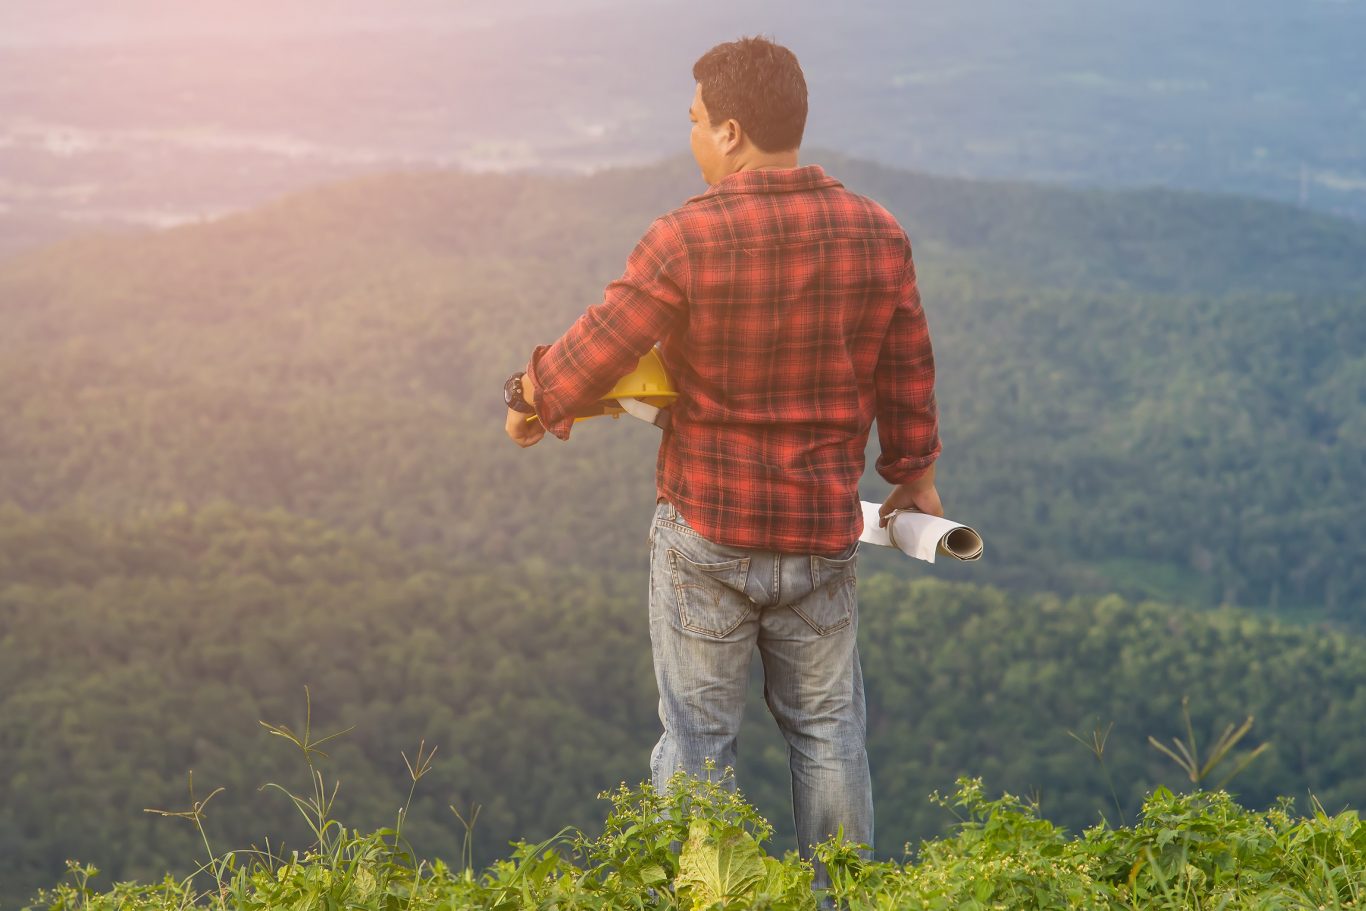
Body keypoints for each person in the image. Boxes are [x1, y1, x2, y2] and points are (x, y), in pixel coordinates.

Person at [502, 35, 942, 896]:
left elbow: (603, 343)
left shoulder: (686, 238)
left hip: (707, 533)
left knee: (698, 742)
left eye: (697, 121)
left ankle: (705, 897)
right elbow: (907, 367)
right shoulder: (877, 233)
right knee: (829, 734)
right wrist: (913, 472)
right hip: (820, 535)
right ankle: (840, 897)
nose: (694, 136)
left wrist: (532, 397)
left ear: (732, 131)